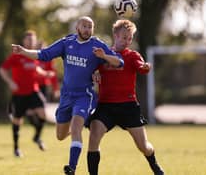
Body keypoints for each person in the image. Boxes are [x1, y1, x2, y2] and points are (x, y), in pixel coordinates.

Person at [11, 16, 124, 175]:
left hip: (84, 96)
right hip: (66, 97)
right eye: (84, 26)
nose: (87, 29)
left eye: (90, 26)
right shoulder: (66, 43)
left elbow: (120, 62)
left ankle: (72, 167)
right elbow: (43, 54)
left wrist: (103, 56)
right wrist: (23, 51)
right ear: (77, 27)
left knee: (76, 127)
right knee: (60, 135)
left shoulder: (97, 45)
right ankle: (77, 126)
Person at [87, 19, 164, 175]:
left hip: (128, 107)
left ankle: (155, 166)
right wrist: (93, 73)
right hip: (105, 106)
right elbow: (90, 70)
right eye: (124, 37)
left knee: (143, 146)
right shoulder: (103, 54)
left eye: (130, 38)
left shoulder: (132, 55)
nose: (127, 41)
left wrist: (145, 66)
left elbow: (142, 67)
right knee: (93, 137)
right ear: (115, 35)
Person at [0, 30, 54, 157]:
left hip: (33, 91)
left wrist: (45, 74)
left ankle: (37, 137)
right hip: (19, 94)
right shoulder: (16, 56)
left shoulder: (33, 55)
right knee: (17, 121)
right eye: (28, 39)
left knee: (43, 114)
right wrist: (10, 82)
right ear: (24, 41)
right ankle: (16, 148)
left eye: (33, 40)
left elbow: (36, 69)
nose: (31, 42)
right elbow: (2, 69)